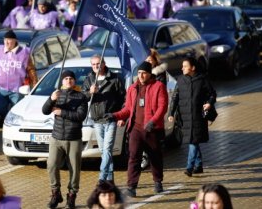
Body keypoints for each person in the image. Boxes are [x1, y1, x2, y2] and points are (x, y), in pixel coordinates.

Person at [105, 61, 169, 197]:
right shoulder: (133, 88)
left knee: (155, 156)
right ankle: (131, 186)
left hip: (152, 129)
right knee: (134, 157)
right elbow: (128, 109)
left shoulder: (158, 87)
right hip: (135, 128)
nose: (141, 76)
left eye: (144, 73)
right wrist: (114, 115)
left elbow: (162, 107)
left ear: (149, 74)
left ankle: (158, 181)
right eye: (139, 73)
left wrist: (152, 121)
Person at [42, 70, 88, 209]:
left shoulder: (81, 97)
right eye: (66, 78)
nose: (68, 80)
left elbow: (81, 116)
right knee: (51, 165)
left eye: (71, 78)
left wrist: (62, 112)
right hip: (56, 137)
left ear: (74, 81)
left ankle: (72, 195)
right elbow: (45, 110)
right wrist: (51, 99)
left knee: (74, 169)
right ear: (62, 81)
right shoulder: (57, 94)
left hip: (73, 138)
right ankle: (56, 193)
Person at [168, 57, 216, 177]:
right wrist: (171, 114)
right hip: (185, 117)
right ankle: (198, 166)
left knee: (193, 141)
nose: (182, 68)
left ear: (193, 68)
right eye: (182, 66)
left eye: (185, 66)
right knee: (193, 141)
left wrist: (209, 103)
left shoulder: (202, 79)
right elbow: (175, 98)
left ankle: (189, 168)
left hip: (198, 116)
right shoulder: (180, 80)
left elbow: (212, 93)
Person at [82, 55, 125, 184]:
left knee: (107, 150)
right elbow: (83, 97)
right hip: (96, 120)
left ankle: (102, 177)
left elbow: (123, 98)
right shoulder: (89, 79)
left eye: (98, 64)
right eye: (93, 64)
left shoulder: (114, 79)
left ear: (104, 64)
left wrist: (120, 116)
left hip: (110, 119)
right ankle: (110, 179)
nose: (96, 66)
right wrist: (90, 92)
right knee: (103, 151)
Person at [0, 30, 38, 120]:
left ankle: (15, 126)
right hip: (2, 88)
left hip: (17, 89)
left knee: (17, 110)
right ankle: (8, 122)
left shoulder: (23, 53)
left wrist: (35, 83)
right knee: (0, 109)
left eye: (9, 40)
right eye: (5, 40)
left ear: (15, 41)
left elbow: (31, 69)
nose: (7, 42)